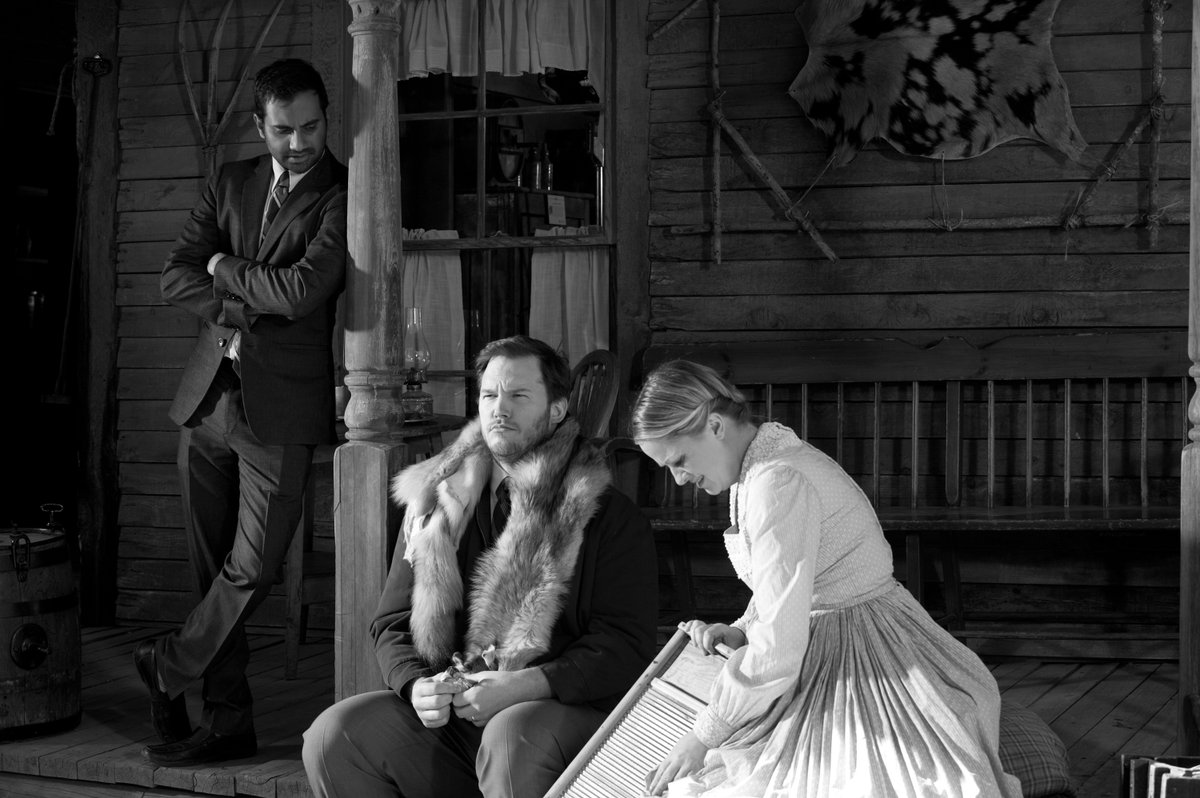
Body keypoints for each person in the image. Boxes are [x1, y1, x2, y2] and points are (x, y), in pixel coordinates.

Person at [632, 360, 1022, 798]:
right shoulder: (760, 464)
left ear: (716, 426)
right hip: (844, 629)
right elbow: (786, 587)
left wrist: (704, 736)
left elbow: (780, 646)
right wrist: (742, 629)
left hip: (866, 649)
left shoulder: (777, 482)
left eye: (679, 460)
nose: (679, 478)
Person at [302, 335, 658, 798]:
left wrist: (524, 686)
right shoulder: (437, 505)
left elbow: (624, 646)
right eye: (489, 395)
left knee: (510, 738)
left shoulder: (607, 515)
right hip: (457, 716)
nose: (499, 409)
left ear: (557, 410)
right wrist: (416, 687)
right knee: (335, 735)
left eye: (518, 396)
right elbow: (391, 624)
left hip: (554, 714)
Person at [135, 57, 348, 767]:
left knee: (251, 568)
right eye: (284, 130)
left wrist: (224, 270)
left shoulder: (342, 195)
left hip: (281, 413)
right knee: (209, 571)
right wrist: (235, 296)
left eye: (311, 127)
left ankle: (166, 665)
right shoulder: (232, 181)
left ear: (326, 121)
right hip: (206, 403)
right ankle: (228, 723)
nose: (299, 143)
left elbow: (302, 291)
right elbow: (174, 275)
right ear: (261, 126)